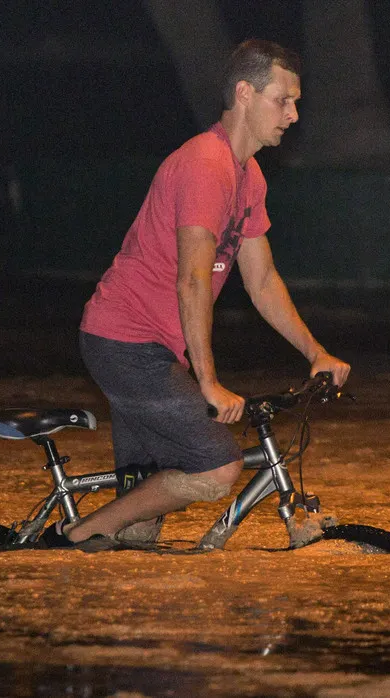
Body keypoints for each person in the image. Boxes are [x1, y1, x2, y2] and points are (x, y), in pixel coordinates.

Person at [39, 38, 350, 549]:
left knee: (138, 534)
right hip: (126, 343)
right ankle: (78, 533)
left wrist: (316, 353)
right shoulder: (206, 164)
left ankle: (101, 580)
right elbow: (193, 279)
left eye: (297, 103)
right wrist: (207, 382)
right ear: (245, 93)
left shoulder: (247, 176)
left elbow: (263, 281)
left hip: (151, 347)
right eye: (284, 100)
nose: (294, 115)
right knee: (219, 467)